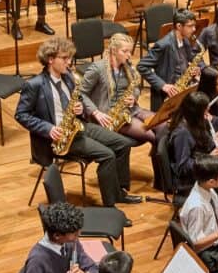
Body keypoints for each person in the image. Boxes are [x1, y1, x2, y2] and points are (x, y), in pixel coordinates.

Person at [16, 36, 141, 207]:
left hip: (78, 126)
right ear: (50, 59)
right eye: (64, 58)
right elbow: (21, 114)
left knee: (123, 144)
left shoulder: (68, 77)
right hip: (59, 137)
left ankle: (119, 191)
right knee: (107, 155)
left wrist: (80, 108)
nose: (69, 62)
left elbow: (79, 98)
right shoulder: (34, 85)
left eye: (69, 58)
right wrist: (48, 128)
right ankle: (110, 204)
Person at [79, 30, 156, 146]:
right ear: (114, 51)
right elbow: (80, 93)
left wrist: (133, 97)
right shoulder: (97, 69)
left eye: (130, 51)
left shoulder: (127, 66)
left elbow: (135, 87)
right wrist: (95, 112)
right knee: (151, 135)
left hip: (130, 109)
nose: (129, 55)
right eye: (125, 51)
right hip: (110, 116)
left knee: (162, 126)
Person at [140, 8, 203, 111]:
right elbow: (142, 66)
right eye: (190, 26)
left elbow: (188, 62)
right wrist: (163, 85)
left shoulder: (186, 41)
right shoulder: (164, 45)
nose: (194, 29)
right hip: (166, 96)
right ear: (179, 26)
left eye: (194, 25)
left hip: (181, 90)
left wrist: (194, 69)